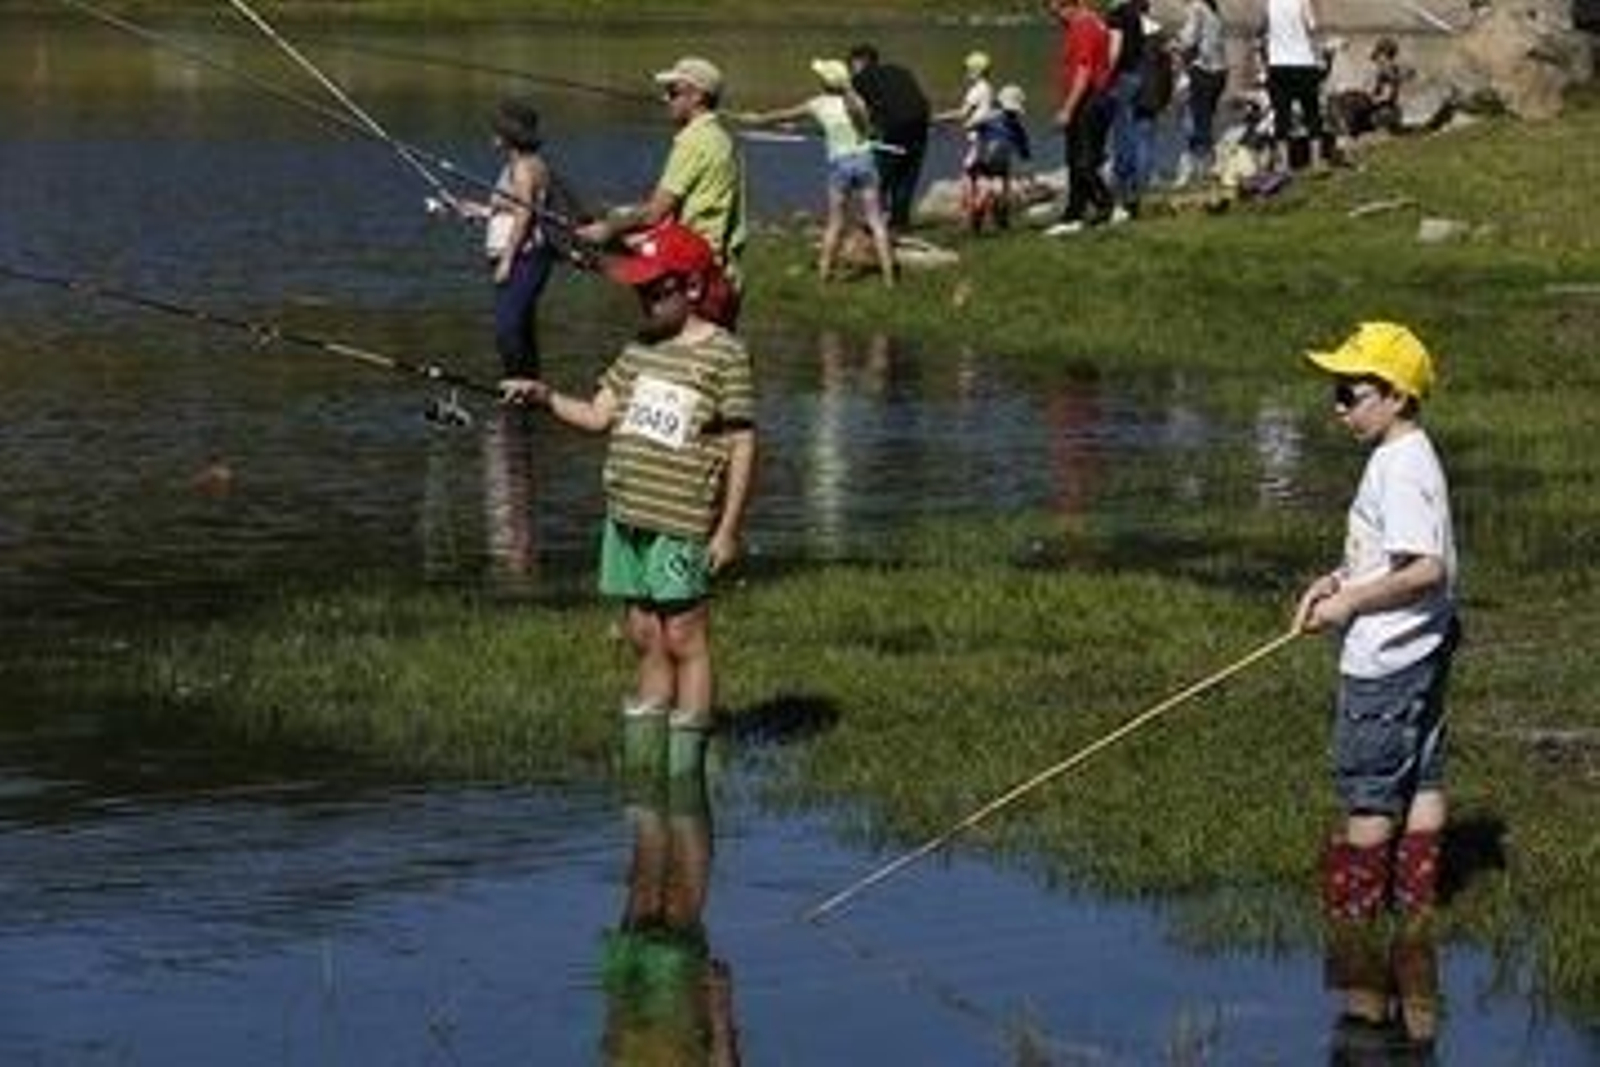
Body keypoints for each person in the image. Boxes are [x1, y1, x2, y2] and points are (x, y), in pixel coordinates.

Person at [502, 221, 756, 782]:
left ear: (692, 287)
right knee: (644, 634)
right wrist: (545, 396)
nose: (644, 299)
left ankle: (687, 769)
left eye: (655, 289)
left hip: (680, 520)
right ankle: (646, 767)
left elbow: (742, 443)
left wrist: (728, 530)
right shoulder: (639, 348)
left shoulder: (725, 354)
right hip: (627, 517)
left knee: (684, 635)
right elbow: (598, 416)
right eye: (639, 290)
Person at [1291, 321, 1460, 928]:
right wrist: (1337, 580)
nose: (1338, 409)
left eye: (1350, 394)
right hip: (1422, 645)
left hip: (1387, 659)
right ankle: (1415, 916)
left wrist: (1352, 604)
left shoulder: (1399, 468)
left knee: (1368, 793)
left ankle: (1355, 931)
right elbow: (1389, 554)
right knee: (1421, 778)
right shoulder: (1406, 455)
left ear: (1396, 396)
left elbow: (1426, 569)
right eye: (1335, 393)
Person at [576, 56, 747, 327]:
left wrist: (607, 228)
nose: (666, 99)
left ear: (698, 96)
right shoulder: (721, 138)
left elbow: (654, 213)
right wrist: (621, 216)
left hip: (695, 271)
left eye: (673, 92)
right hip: (722, 272)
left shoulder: (693, 141)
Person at [734, 59, 895, 286]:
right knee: (876, 220)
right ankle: (889, 279)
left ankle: (823, 277)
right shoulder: (857, 100)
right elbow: (865, 129)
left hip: (840, 165)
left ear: (824, 83)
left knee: (835, 223)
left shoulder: (816, 104)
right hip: (865, 161)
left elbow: (782, 115)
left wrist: (756, 119)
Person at [443, 97, 558, 379]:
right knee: (520, 328)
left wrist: (507, 259)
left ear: (510, 133)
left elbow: (525, 213)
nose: (492, 134)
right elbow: (512, 209)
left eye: (497, 128)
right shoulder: (519, 165)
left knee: (507, 328)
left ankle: (519, 383)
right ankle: (527, 386)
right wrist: (472, 209)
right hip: (521, 256)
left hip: (523, 258)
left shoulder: (523, 167)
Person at [1044, 0, 1116, 236]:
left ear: (1069, 5)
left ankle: (1105, 206)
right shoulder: (1092, 22)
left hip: (1089, 101)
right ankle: (1074, 214)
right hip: (1092, 100)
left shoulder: (1083, 26)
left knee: (1083, 162)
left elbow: (1083, 70)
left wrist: (1068, 109)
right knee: (1077, 161)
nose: (1056, 19)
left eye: (1057, 13)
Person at [847, 42, 932, 232]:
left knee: (880, 178)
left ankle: (874, 223)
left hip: (893, 129)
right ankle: (900, 222)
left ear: (860, 62)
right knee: (906, 177)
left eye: (852, 65)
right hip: (920, 125)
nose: (851, 70)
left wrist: (861, 132)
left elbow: (855, 110)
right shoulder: (900, 70)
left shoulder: (860, 78)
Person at [933, 50, 1004, 233]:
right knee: (981, 179)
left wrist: (937, 118)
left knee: (968, 179)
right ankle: (983, 219)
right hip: (985, 140)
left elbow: (962, 113)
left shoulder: (976, 90)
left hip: (977, 141)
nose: (965, 73)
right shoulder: (988, 88)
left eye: (967, 69)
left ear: (976, 71)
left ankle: (971, 219)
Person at [1263, 0, 1335, 170]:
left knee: (1281, 115)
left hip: (1278, 64)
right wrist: (1322, 55)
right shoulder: (1303, 2)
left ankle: (1284, 163)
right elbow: (1313, 30)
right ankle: (1316, 160)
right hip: (1303, 62)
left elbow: (1265, 31)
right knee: (1312, 112)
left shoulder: (1270, 3)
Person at [1105, 0, 1154, 219]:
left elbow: (1115, 48)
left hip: (1122, 77)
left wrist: (1105, 75)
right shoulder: (1136, 15)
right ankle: (1135, 191)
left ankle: (1122, 194)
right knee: (1134, 134)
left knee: (1122, 136)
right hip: (1137, 75)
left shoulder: (1117, 15)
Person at [1173, 0, 1229, 185]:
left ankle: (1203, 169)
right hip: (1220, 73)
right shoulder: (1215, 11)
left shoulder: (1196, 8)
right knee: (1206, 119)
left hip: (1203, 70)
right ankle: (1205, 166)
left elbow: (1188, 40)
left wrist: (1174, 44)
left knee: (1199, 121)